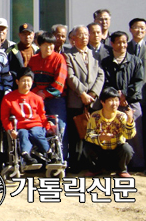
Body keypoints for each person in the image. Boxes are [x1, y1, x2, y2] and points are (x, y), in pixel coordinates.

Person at [101, 31, 144, 169]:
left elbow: (139, 82)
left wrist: (126, 95)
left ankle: (137, 164)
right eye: (119, 42)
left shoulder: (135, 61)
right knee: (113, 133)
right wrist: (116, 97)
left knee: (135, 133)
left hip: (131, 102)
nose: (122, 45)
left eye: (124, 42)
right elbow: (105, 82)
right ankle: (116, 165)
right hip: (112, 103)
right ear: (112, 44)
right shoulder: (106, 62)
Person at [65, 25, 105, 172]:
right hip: (76, 100)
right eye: (81, 35)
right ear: (73, 38)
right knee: (76, 135)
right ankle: (76, 166)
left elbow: (101, 75)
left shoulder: (94, 54)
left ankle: (91, 165)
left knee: (92, 134)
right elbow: (70, 77)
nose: (84, 37)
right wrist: (82, 93)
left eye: (86, 35)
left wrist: (93, 94)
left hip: (92, 102)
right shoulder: (68, 55)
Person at [28, 32, 68, 157]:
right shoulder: (33, 59)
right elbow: (29, 80)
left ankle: (61, 158)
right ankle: (41, 158)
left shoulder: (59, 58)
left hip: (55, 100)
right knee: (38, 128)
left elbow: (59, 84)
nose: (49, 47)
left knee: (59, 128)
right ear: (39, 45)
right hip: (37, 100)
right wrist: (36, 93)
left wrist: (44, 93)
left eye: (51, 44)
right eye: (46, 45)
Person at [1, 67, 51, 165]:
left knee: (34, 132)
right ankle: (26, 154)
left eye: (28, 81)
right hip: (20, 126)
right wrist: (11, 130)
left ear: (32, 82)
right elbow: (4, 117)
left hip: (36, 126)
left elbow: (42, 115)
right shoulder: (8, 98)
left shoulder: (37, 98)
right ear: (17, 81)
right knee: (23, 133)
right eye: (23, 81)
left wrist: (48, 127)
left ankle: (49, 152)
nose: (26, 84)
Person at [84, 88, 136, 178]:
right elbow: (88, 135)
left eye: (116, 100)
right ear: (103, 102)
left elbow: (129, 135)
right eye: (111, 101)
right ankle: (95, 169)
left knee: (127, 148)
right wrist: (100, 137)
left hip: (116, 152)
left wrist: (129, 121)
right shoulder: (95, 116)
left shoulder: (122, 116)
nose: (114, 104)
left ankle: (122, 169)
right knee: (88, 147)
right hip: (101, 151)